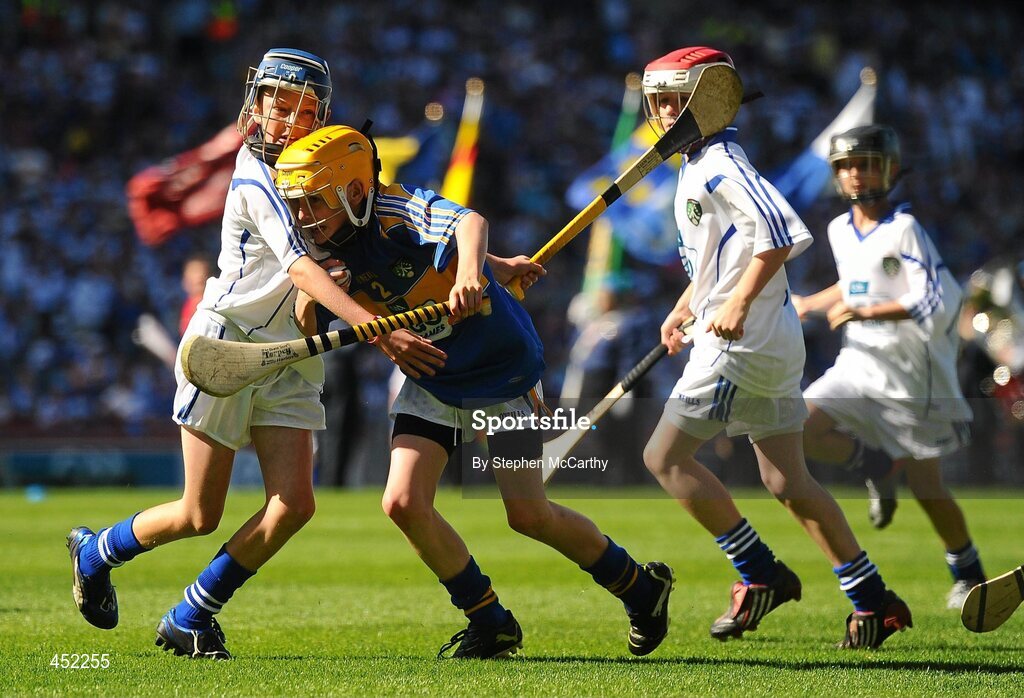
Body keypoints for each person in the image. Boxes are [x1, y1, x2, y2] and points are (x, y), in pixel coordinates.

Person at [66, 48, 433, 660]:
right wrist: (378, 327)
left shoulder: (326, 164)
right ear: (254, 102)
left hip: (291, 353)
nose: (284, 119)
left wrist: (484, 264)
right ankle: (96, 551)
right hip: (227, 346)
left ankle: (190, 614)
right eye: (274, 103)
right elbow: (300, 268)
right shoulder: (254, 174)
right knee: (198, 513)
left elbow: (379, 223)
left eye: (299, 108)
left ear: (320, 114)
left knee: (294, 504)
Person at [276, 124, 675, 659]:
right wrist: (312, 308)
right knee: (402, 501)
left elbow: (467, 222)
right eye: (296, 206)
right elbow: (317, 314)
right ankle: (488, 618)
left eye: (312, 203)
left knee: (529, 515)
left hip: (500, 370)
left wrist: (473, 270)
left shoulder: (397, 207)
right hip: (434, 376)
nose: (302, 218)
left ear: (353, 192)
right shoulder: (323, 247)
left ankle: (642, 589)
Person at [638, 47, 911, 649]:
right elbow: (724, 256)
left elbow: (780, 234)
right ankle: (873, 602)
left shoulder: (720, 162)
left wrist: (733, 306)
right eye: (653, 100)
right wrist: (687, 304)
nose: (657, 112)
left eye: (668, 99)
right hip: (757, 337)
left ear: (704, 101)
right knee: (787, 480)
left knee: (665, 458)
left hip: (745, 341)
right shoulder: (694, 163)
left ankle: (759, 573)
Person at [793, 124, 985, 609]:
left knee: (927, 486)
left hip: (910, 373)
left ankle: (969, 575)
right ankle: (877, 465)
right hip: (858, 361)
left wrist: (867, 311)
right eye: (846, 167)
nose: (856, 175)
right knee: (799, 426)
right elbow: (854, 284)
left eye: (866, 164)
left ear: (890, 169)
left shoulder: (905, 229)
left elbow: (933, 297)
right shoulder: (839, 229)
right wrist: (809, 303)